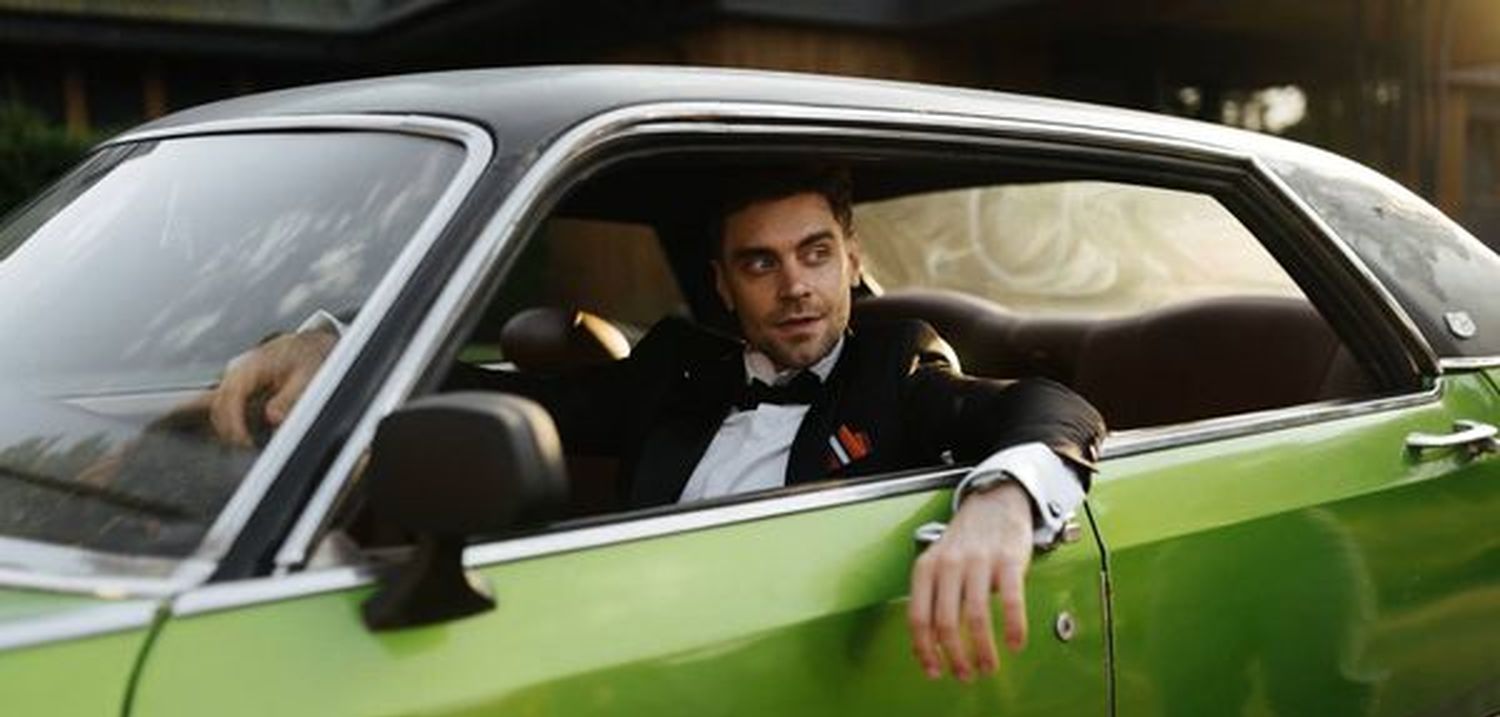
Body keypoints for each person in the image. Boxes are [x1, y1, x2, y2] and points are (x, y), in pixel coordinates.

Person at [206, 166, 1105, 682]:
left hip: (784, 662)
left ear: (849, 259)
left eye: (815, 254)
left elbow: (1048, 405)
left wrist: (998, 499)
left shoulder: (893, 368)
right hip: (627, 647)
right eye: (761, 264)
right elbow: (495, 393)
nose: (795, 286)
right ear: (723, 285)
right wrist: (337, 349)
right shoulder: (673, 374)